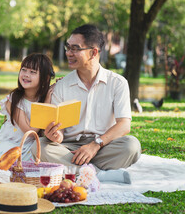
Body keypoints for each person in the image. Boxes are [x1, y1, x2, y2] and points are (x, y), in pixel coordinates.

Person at [31, 24, 141, 183]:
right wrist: (55, 135)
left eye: (75, 49)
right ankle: (98, 174)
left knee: (132, 146)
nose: (68, 53)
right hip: (68, 149)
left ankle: (75, 171)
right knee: (39, 147)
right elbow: (59, 133)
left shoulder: (117, 83)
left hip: (103, 146)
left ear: (93, 52)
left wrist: (95, 145)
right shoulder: (62, 86)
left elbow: (124, 125)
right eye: (68, 47)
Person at [0, 53, 55, 161]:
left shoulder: (44, 96)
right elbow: (30, 132)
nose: (26, 74)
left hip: (32, 146)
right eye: (24, 70)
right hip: (10, 146)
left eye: (32, 72)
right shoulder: (14, 100)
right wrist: (46, 105)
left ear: (45, 78)